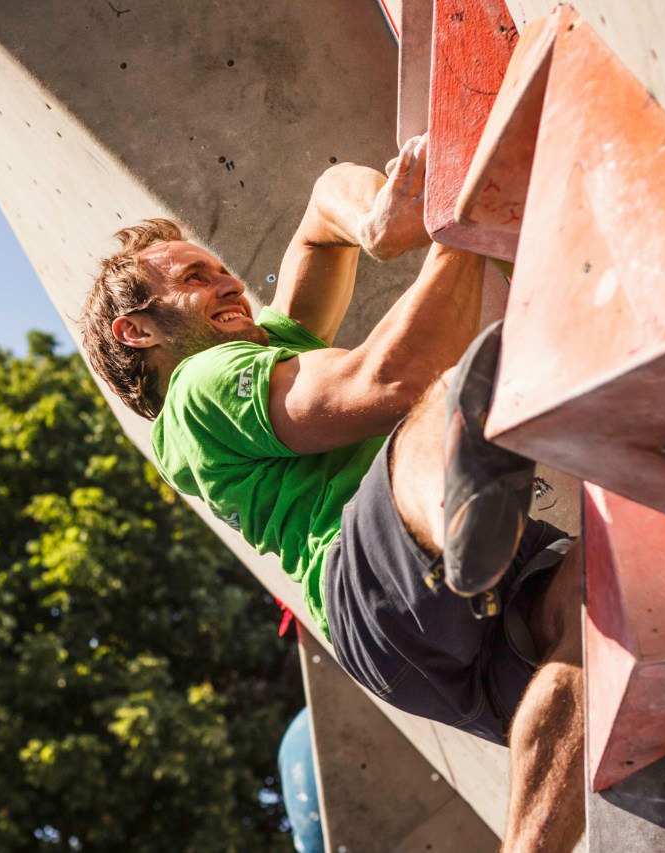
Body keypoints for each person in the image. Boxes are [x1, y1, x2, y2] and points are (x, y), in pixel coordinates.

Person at [80, 135, 585, 853]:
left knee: (598, 623)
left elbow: (321, 213)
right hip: (369, 577)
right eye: (196, 277)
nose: (229, 282)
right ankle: (459, 516)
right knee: (439, 399)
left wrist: (379, 217)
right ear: (137, 331)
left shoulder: (257, 350)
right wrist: (460, 219)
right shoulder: (201, 382)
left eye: (223, 268)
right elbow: (389, 381)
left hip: (407, 644)